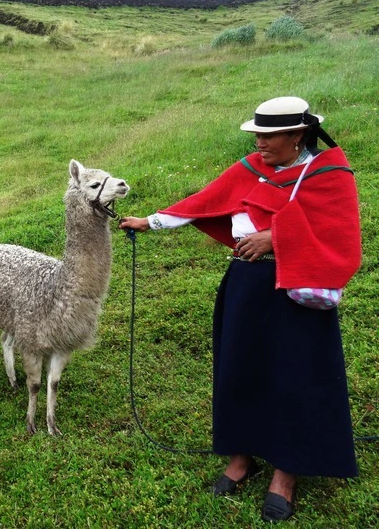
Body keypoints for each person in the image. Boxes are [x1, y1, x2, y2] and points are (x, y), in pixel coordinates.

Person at [119, 96, 362, 522]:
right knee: (239, 367)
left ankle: (285, 474)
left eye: (269, 136)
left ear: (297, 135)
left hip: (295, 289)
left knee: (293, 374)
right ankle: (241, 456)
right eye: (258, 135)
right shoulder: (253, 167)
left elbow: (340, 239)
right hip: (246, 284)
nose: (261, 143)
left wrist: (276, 237)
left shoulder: (329, 175)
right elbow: (206, 201)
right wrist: (150, 221)